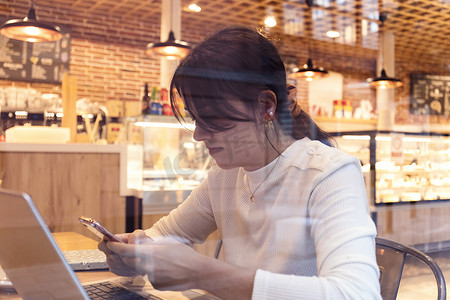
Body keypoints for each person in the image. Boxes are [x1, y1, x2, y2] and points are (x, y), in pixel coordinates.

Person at [99, 26, 381, 299]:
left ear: (265, 106)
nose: (198, 134)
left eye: (212, 117)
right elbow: (164, 236)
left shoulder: (328, 173)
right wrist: (133, 252)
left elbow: (357, 294)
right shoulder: (224, 177)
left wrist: (203, 273)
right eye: (197, 119)